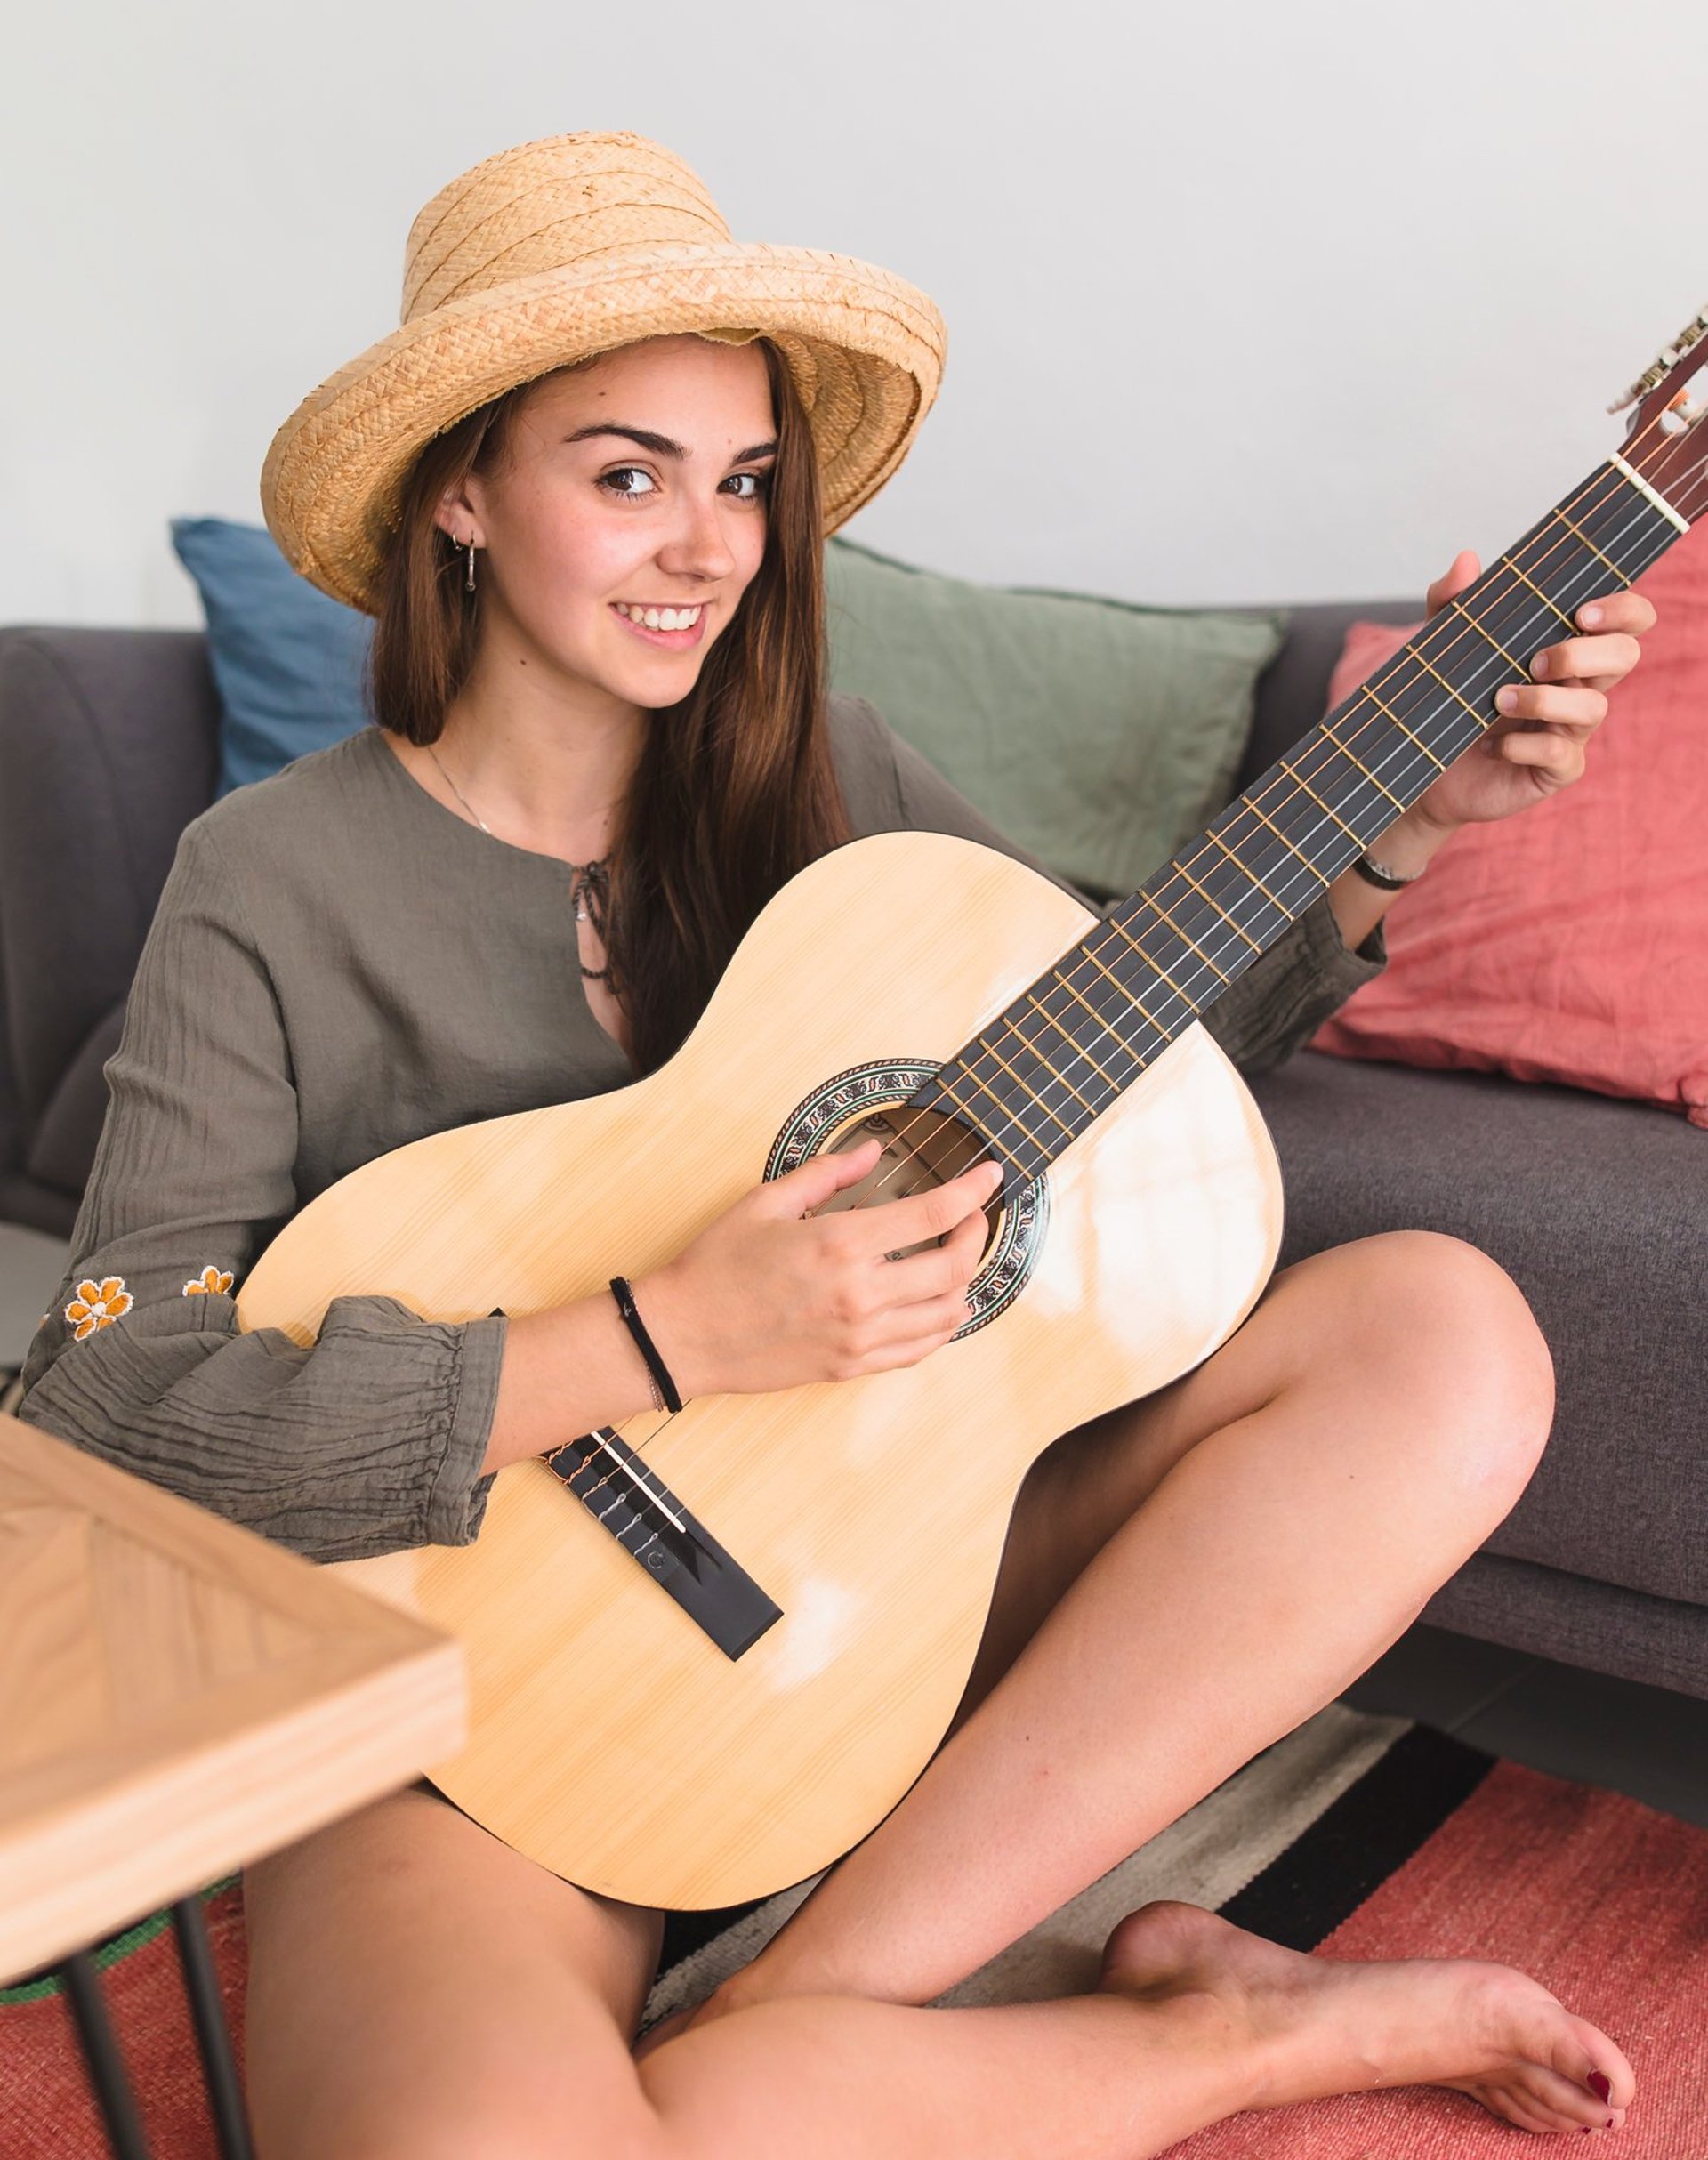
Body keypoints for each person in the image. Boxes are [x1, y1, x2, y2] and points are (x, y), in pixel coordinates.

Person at [19, 132, 1650, 2155]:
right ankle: (1217, 2039)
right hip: (479, 1708)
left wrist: (1397, 831)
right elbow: (102, 1412)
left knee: (1447, 1334)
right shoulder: (265, 878)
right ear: (462, 489)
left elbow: (1116, 1070)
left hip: (893, 1587)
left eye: (745, 483)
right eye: (628, 476)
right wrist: (668, 1334)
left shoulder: (838, 781)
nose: (708, 547)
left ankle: (806, 1997)